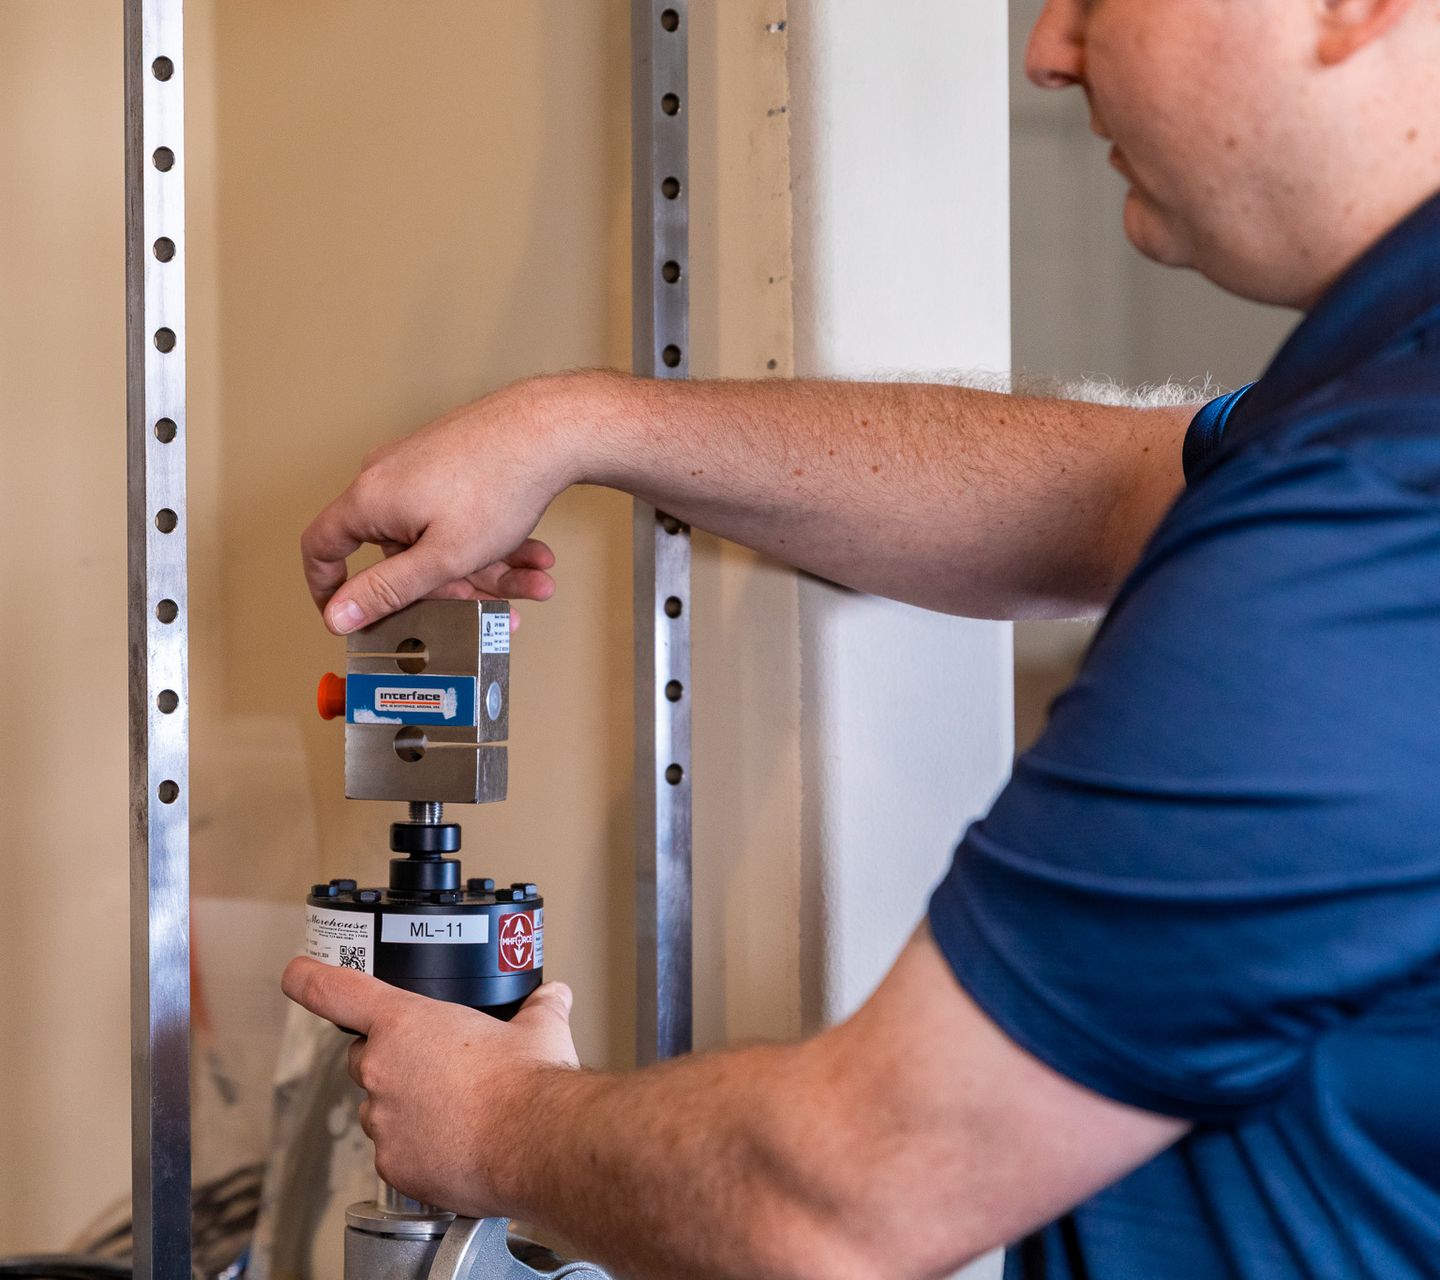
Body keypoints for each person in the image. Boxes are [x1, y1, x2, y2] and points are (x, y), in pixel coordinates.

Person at [281, 0, 1440, 1274]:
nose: (1047, 48)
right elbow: (1100, 490)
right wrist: (579, 422)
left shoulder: (1366, 518)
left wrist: (494, 1120)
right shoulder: (1375, 404)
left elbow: (843, 1195)